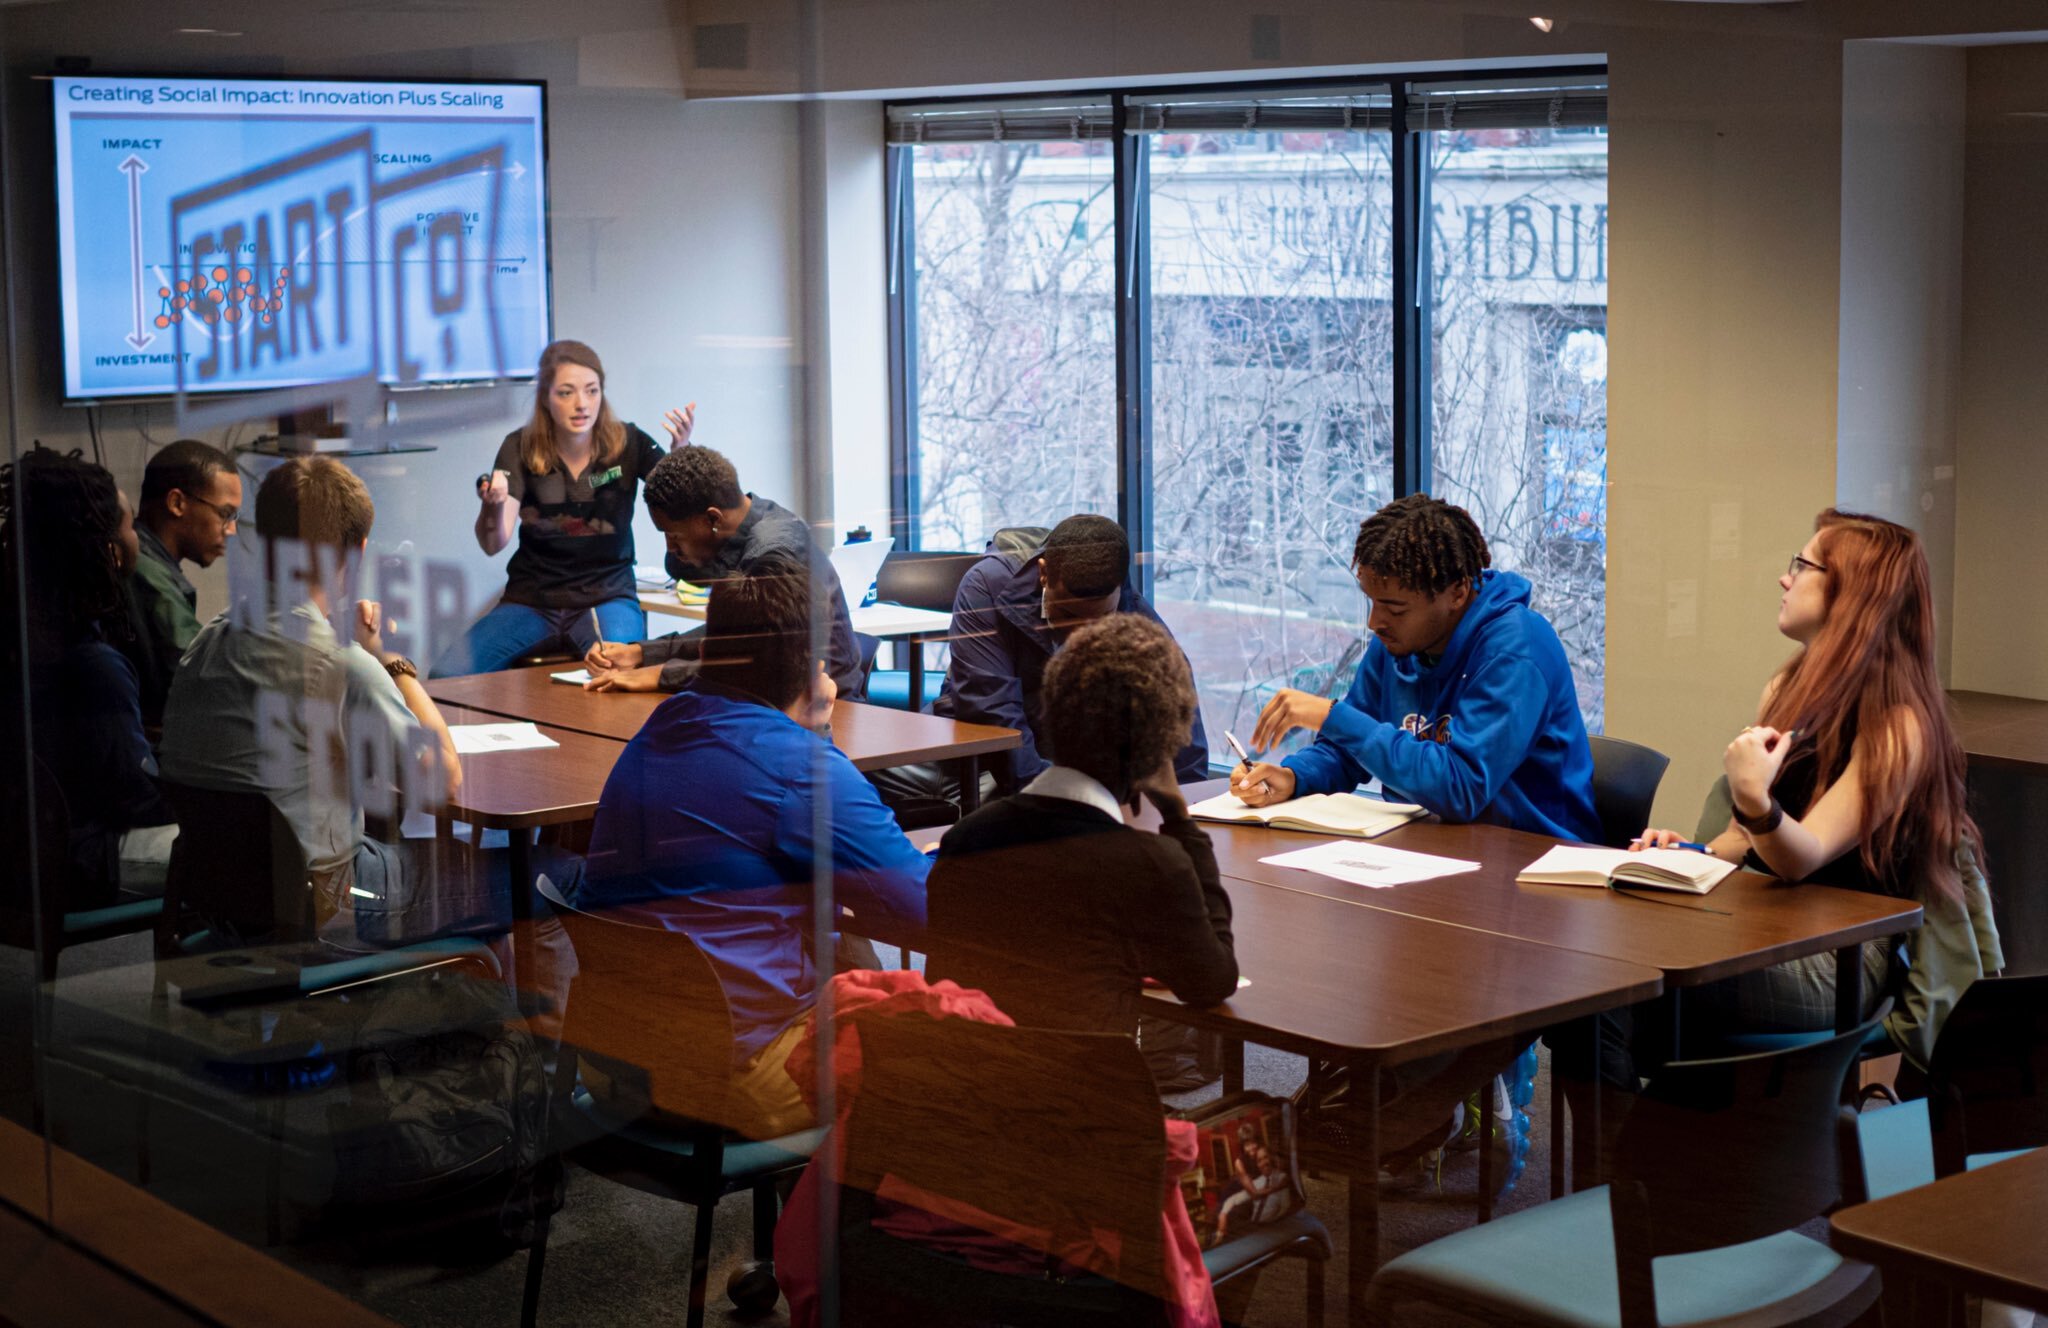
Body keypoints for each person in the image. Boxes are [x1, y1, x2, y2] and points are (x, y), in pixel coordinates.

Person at [160, 458, 571, 1006]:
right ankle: (534, 1058)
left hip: (224, 898)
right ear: (354, 553)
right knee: (554, 874)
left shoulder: (207, 641)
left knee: (444, 867)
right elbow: (445, 781)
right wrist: (389, 661)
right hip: (329, 905)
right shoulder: (340, 665)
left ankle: (465, 1031)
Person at [579, 553, 928, 1138]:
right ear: (811, 665)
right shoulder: (796, 769)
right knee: (949, 1058)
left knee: (844, 946)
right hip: (724, 1076)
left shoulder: (660, 727)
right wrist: (816, 733)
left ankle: (811, 1208)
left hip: (616, 1057)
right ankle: (837, 1222)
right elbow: (920, 908)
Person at [1631, 509, 1995, 1055]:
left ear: (1852, 594)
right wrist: (1688, 853)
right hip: (1766, 923)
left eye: (1801, 565)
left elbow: (1803, 855)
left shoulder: (1901, 723)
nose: (1785, 578)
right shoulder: (1787, 685)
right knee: (1604, 963)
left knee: (1632, 979)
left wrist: (1756, 801)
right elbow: (1742, 840)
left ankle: (1634, 1135)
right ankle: (1634, 1134)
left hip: (1840, 957)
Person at [924, 613, 1238, 1042]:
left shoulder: (964, 840)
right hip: (1087, 1105)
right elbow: (1213, 982)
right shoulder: (1150, 866)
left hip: (971, 1096)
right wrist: (1180, 817)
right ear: (1161, 745)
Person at [1231, 493, 1599, 843]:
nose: (1375, 622)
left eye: (1395, 608)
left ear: (1456, 593)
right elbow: (1349, 749)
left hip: (1536, 864)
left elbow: (1461, 787)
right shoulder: (1398, 643)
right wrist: (1293, 777)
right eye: (1372, 602)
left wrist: (1331, 716)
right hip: (1433, 851)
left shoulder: (1517, 649)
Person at [431, 339, 691, 677]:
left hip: (606, 595)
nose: (581, 404)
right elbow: (494, 543)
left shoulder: (629, 442)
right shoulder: (519, 446)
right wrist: (492, 506)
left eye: (592, 391)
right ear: (545, 398)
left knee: (618, 675)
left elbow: (682, 501)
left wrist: (681, 452)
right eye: (566, 392)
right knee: (445, 677)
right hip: (532, 600)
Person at [0, 449, 177, 904]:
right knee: (245, 855)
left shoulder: (25, 640)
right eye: (128, 525)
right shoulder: (92, 664)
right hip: (83, 860)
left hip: (23, 860)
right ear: (109, 552)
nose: (137, 537)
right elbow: (137, 798)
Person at [932, 515, 1210, 797]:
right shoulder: (988, 585)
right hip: (978, 756)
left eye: (1100, 618)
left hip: (1065, 763)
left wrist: (1187, 801)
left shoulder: (1123, 597)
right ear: (1044, 573)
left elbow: (1173, 697)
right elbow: (993, 712)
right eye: (1068, 614)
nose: (1082, 634)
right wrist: (1066, 801)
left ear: (1119, 587)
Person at [580, 444, 865, 699]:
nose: (670, 548)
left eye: (673, 535)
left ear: (712, 519)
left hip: (825, 707)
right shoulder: (748, 522)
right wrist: (643, 653)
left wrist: (658, 674)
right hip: (778, 699)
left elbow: (758, 660)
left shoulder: (775, 554)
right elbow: (736, 635)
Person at [130, 438, 241, 722]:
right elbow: (206, 682)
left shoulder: (149, 566)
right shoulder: (148, 577)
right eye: (225, 514)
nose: (231, 531)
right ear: (177, 503)